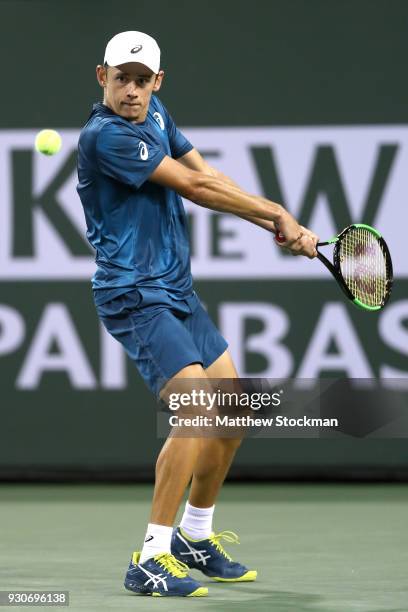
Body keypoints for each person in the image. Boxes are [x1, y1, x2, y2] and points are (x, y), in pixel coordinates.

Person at [77, 30, 318, 598]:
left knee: (233, 408)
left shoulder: (157, 113)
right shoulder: (105, 136)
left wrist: (271, 226)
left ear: (157, 82)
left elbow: (209, 177)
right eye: (121, 79)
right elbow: (190, 186)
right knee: (199, 409)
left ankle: (194, 536)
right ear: (101, 77)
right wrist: (278, 210)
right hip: (133, 293)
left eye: (141, 80)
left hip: (177, 290)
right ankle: (152, 557)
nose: (131, 91)